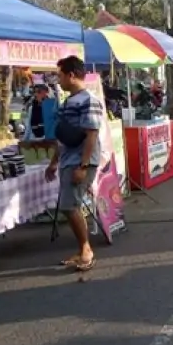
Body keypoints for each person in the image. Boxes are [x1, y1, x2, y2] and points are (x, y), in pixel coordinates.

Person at [45, 55, 103, 272]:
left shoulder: (90, 101)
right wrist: (53, 163)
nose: (58, 80)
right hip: (69, 161)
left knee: (70, 206)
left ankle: (86, 251)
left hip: (80, 162)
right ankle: (82, 250)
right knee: (70, 206)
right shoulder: (68, 102)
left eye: (60, 75)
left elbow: (91, 135)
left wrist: (83, 166)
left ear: (71, 75)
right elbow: (63, 137)